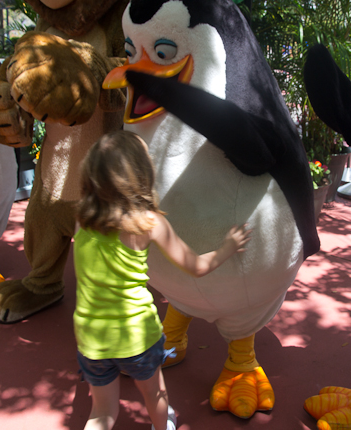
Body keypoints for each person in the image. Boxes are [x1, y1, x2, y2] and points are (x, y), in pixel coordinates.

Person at [74, 130, 251, 430]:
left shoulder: (82, 219)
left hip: (90, 335)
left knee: (102, 411)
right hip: (136, 336)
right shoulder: (150, 222)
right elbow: (196, 266)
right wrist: (228, 247)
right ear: (141, 174)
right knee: (155, 394)